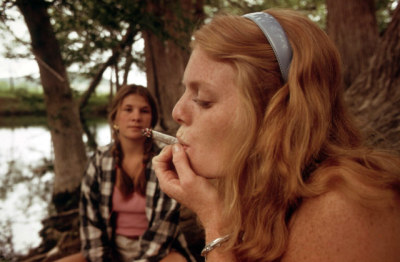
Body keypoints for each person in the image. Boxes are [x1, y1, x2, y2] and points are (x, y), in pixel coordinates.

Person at [153, 9, 400, 262]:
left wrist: (214, 220)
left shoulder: (347, 207)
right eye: (185, 91)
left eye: (203, 100)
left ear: (275, 114)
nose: (177, 112)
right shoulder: (263, 194)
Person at [78, 84, 195, 261]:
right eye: (128, 110)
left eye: (144, 111)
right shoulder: (100, 159)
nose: (136, 117)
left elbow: (163, 228)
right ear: (115, 117)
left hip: (159, 252)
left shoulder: (166, 159)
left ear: (152, 119)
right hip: (111, 247)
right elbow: (90, 219)